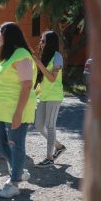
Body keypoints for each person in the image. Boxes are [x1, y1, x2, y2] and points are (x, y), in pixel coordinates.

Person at [0, 22, 37, 198]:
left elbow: (26, 86)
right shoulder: (6, 55)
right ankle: (19, 170)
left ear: (8, 35)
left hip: (17, 108)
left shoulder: (22, 55)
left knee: (16, 145)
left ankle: (15, 182)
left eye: (0, 34)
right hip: (1, 107)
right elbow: (1, 83)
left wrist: (18, 113)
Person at [32, 30, 66, 167]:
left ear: (50, 42)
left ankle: (49, 158)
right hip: (44, 96)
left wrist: (39, 63)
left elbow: (52, 78)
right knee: (39, 126)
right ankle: (59, 146)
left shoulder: (57, 56)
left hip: (54, 96)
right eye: (41, 40)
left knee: (50, 126)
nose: (41, 43)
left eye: (43, 40)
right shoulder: (45, 56)